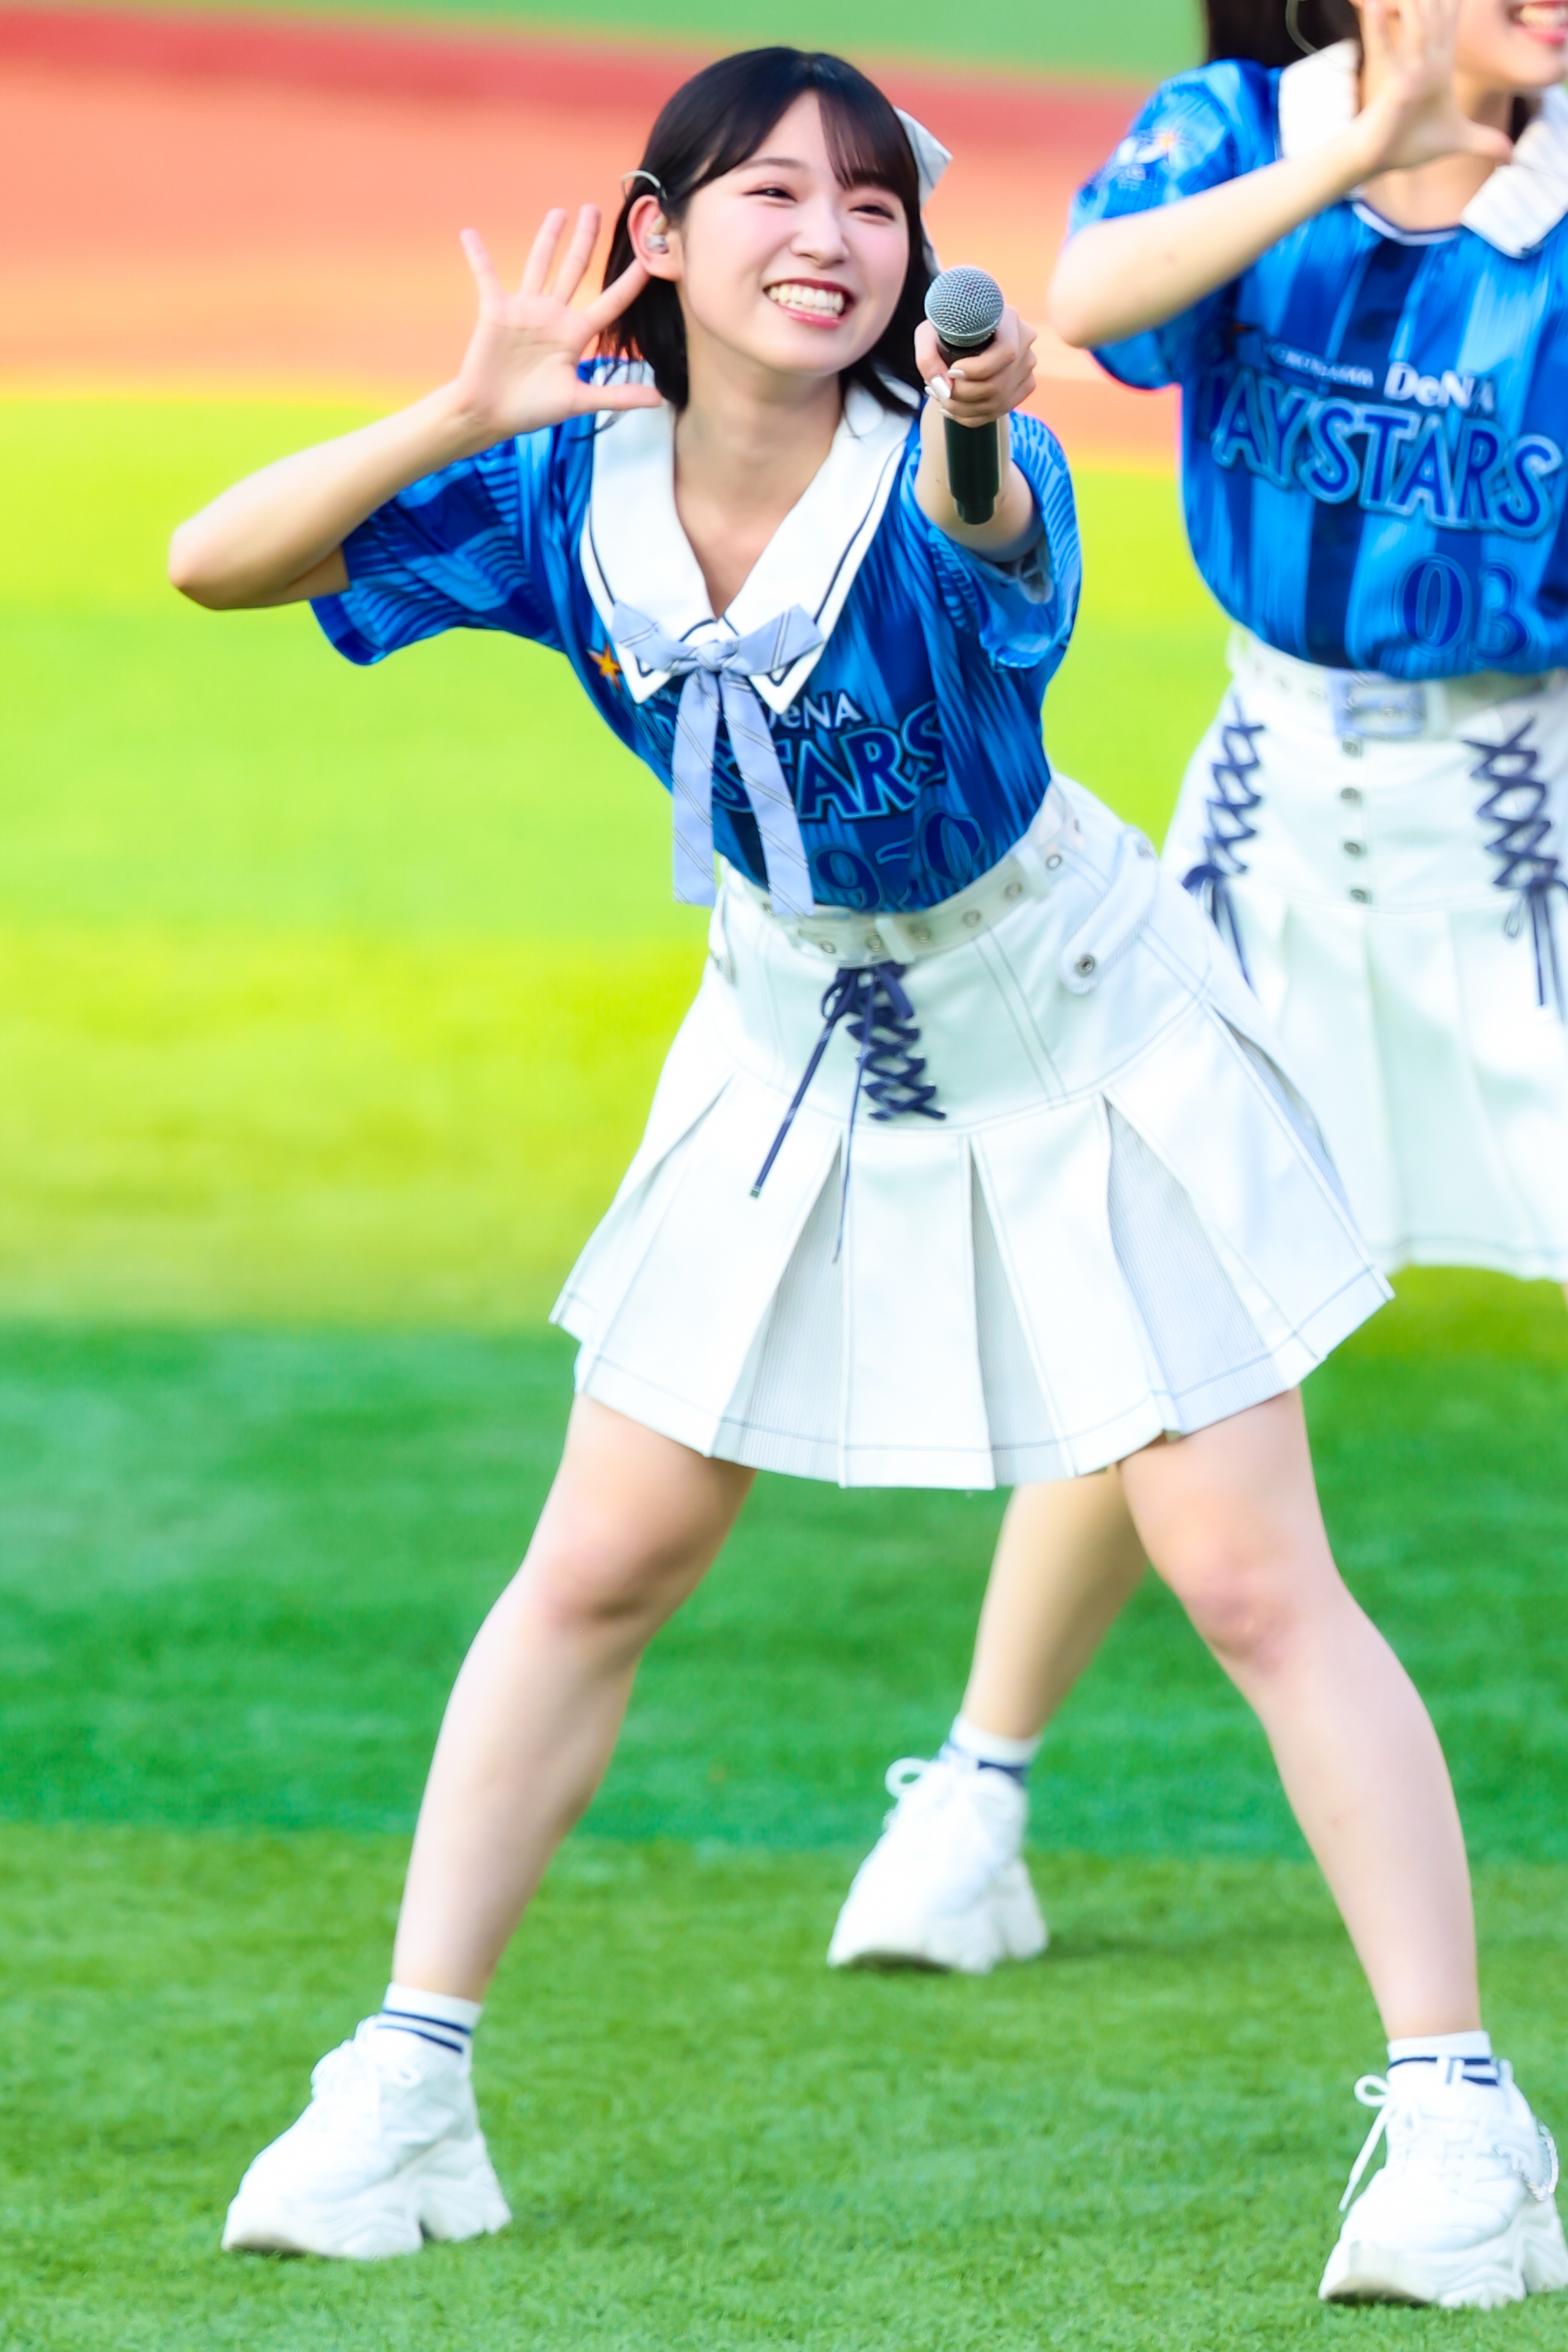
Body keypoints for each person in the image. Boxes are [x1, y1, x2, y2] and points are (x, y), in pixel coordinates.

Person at [167, 42, 1544, 2306]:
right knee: (600, 1553)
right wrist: (457, 410)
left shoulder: (948, 482)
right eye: (773, 195)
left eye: (875, 205)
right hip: (793, 1032)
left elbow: (1000, 538)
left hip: (1078, 1031)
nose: (832, 235)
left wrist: (991, 411)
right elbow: (218, 562)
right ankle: (407, 2085)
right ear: (661, 239)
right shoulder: (564, 494)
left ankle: (1467, 2120)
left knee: (1245, 1575)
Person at [830, 0, 1568, 2306]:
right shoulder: (1226, 138)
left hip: (1533, 811)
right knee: (1163, 1322)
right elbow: (1082, 309)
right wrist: (1348, 147)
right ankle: (973, 1790)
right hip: (1277, 808)